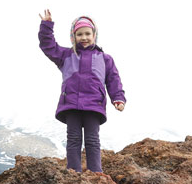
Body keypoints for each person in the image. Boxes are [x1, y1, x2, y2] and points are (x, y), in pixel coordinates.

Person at [38, 9, 126, 173]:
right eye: (79, 34)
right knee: (73, 139)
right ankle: (73, 173)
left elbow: (113, 79)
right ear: (73, 36)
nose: (84, 37)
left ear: (94, 35)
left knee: (93, 140)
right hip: (71, 104)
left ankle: (96, 174)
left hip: (94, 105)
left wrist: (118, 98)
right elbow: (48, 46)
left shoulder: (105, 58)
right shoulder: (65, 55)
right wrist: (46, 26)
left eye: (87, 33)